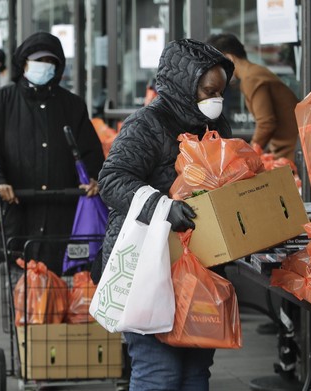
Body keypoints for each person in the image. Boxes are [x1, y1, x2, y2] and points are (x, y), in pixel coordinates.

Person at [98, 38, 233, 391]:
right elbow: (111, 180)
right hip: (148, 268)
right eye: (208, 90)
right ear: (185, 86)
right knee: (160, 374)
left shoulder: (215, 127)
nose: (215, 99)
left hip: (199, 268)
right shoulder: (146, 123)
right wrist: (163, 207)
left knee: (194, 374)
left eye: (220, 91)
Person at [0, 31, 104, 275]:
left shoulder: (72, 105)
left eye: (50, 62)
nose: (45, 67)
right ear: (23, 63)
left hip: (64, 218)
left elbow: (90, 151)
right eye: (39, 61)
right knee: (23, 293)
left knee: (64, 300)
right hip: (19, 215)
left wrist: (95, 178)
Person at [207, 33, 299, 161]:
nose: (217, 73)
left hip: (291, 154)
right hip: (292, 150)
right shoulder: (256, 72)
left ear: (229, 59)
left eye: (217, 67)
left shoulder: (251, 79)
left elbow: (266, 124)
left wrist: (246, 155)